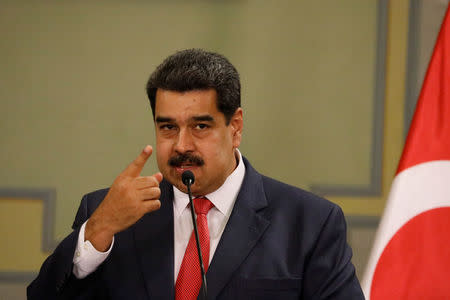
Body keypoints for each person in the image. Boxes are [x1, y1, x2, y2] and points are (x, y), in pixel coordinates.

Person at [28, 49, 364, 299]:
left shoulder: (309, 223)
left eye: (200, 126)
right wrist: (99, 229)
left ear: (235, 127)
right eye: (168, 127)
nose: (181, 145)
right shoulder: (107, 212)